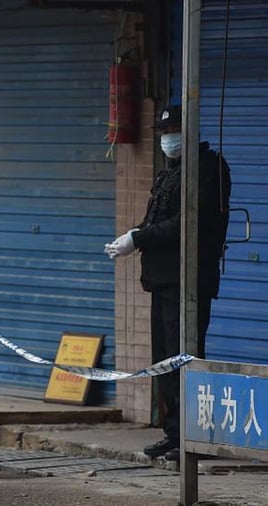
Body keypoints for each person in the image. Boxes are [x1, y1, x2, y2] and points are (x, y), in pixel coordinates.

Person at [105, 105, 231, 462]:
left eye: (172, 131)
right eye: (162, 133)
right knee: (164, 361)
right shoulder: (170, 173)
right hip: (162, 280)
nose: (166, 139)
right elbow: (157, 217)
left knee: (184, 359)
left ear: (188, 131)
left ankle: (194, 437)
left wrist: (138, 238)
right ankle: (175, 433)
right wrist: (134, 237)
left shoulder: (208, 170)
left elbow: (190, 223)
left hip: (188, 281)